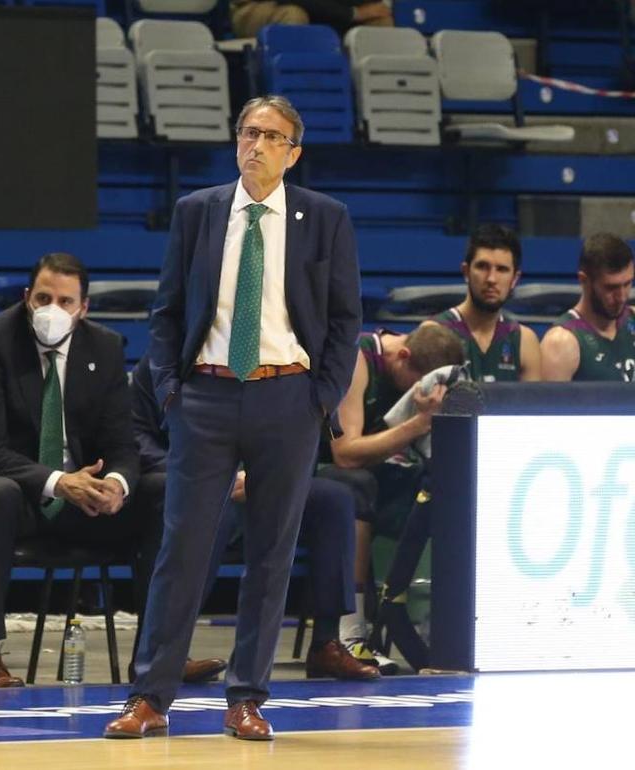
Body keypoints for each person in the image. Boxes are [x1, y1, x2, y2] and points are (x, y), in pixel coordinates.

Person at [104, 95, 362, 742]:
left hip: (288, 395)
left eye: (272, 136)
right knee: (182, 551)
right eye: (249, 133)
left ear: (293, 152)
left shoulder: (324, 217)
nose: (257, 145)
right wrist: (170, 390)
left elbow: (344, 318)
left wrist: (321, 398)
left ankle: (246, 697)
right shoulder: (198, 212)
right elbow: (165, 312)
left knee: (272, 554)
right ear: (235, 140)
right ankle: (150, 697)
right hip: (207, 396)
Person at [0, 252, 208, 689]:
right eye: (42, 297)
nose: (52, 309)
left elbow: (122, 446)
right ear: (25, 298)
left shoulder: (106, 347)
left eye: (66, 301)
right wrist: (58, 482)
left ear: (84, 308)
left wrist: (114, 484)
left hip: (77, 504)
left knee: (162, 490)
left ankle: (156, 655)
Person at [129, 355, 377, 682]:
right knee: (212, 504)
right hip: (192, 477)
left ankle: (326, 644)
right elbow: (138, 440)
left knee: (335, 499)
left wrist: (261, 473)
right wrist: (211, 474)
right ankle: (167, 650)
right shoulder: (162, 362)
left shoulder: (273, 363)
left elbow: (294, 437)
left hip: (259, 477)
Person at [320, 323, 463, 673]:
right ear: (403, 357)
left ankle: (440, 624)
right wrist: (419, 423)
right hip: (317, 471)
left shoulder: (420, 349)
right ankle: (350, 634)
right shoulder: (357, 360)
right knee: (356, 485)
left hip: (377, 476)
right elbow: (345, 453)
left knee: (444, 487)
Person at [420, 224, 541, 383]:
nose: (491, 279)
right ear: (466, 272)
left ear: (515, 279)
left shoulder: (525, 341)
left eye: (502, 269)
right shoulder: (433, 333)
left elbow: (532, 407)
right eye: (482, 267)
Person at [541, 232, 635, 382]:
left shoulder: (632, 319)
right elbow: (547, 405)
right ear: (584, 280)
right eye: (611, 287)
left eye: (628, 283)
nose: (622, 297)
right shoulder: (561, 343)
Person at [229, 0, 392, 39]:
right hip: (256, 7)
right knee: (293, 15)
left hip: (323, 8)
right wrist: (352, 13)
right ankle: (291, 94)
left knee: (379, 21)